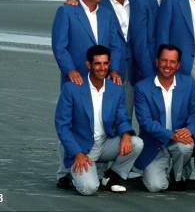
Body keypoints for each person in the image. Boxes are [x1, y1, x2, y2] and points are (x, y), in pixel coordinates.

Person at [51, 0, 124, 188]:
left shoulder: (107, 14)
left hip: (102, 76)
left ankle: (97, 170)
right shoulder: (67, 11)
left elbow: (116, 44)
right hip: (77, 79)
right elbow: (59, 46)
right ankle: (64, 171)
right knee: (71, 122)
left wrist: (115, 70)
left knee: (101, 119)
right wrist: (70, 69)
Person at [54, 45, 143, 195]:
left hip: (105, 144)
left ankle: (112, 176)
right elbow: (62, 126)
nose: (102, 68)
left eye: (105, 63)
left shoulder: (115, 89)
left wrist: (126, 135)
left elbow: (122, 117)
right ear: (88, 65)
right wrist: (77, 153)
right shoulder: (71, 89)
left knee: (136, 143)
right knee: (89, 188)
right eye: (97, 63)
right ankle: (69, 175)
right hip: (82, 147)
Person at [133, 44, 195, 192]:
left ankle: (178, 176)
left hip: (181, 140)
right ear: (157, 61)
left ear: (178, 65)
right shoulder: (142, 87)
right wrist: (171, 135)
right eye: (164, 60)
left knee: (185, 147)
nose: (167, 65)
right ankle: (160, 167)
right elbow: (146, 122)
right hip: (154, 142)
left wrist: (189, 130)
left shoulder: (189, 84)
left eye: (172, 62)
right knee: (156, 186)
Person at [130, 0, 178, 84]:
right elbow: (140, 44)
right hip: (152, 67)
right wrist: (150, 75)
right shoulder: (141, 2)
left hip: (177, 67)